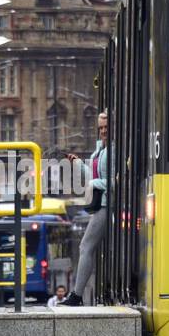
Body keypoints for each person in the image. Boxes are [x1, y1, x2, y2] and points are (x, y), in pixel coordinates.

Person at [63, 111, 109, 306]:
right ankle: (78, 295)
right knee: (90, 248)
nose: (103, 131)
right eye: (100, 128)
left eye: (107, 127)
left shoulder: (114, 150)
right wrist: (79, 164)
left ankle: (76, 295)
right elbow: (93, 174)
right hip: (99, 205)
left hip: (107, 205)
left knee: (85, 246)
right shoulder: (99, 150)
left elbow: (116, 181)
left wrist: (94, 184)